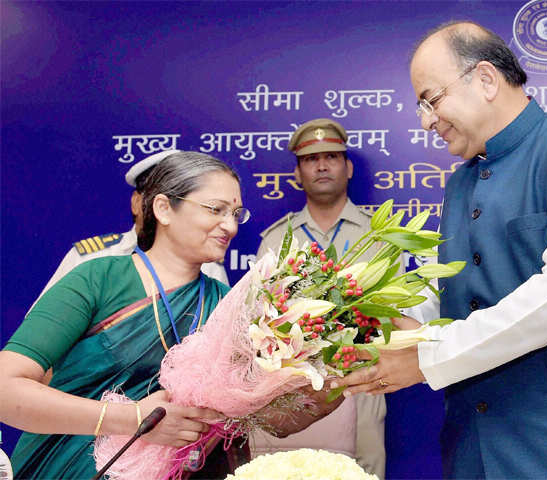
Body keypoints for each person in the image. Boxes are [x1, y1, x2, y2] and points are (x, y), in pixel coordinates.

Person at [333, 21, 547, 479]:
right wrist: (374, 313)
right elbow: (455, 297)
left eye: (431, 100)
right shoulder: (458, 183)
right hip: (475, 447)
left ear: (485, 79)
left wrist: (428, 356)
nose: (425, 121)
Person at [0, 152, 342, 479]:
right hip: (74, 466)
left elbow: (263, 420)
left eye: (236, 214)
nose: (231, 226)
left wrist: (327, 384)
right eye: (216, 209)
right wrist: (132, 418)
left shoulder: (235, 306)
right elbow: (7, 388)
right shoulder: (99, 279)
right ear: (163, 208)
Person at [256, 118, 387, 479]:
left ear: (348, 167)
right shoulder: (275, 240)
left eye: (331, 156)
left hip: (360, 379)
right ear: (298, 172)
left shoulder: (376, 235)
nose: (322, 165)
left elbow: (392, 314)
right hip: (293, 390)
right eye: (311, 160)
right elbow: (261, 319)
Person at [31, 149, 229, 309]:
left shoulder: (208, 265)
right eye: (157, 199)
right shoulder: (91, 259)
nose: (162, 209)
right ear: (136, 202)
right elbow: (40, 334)